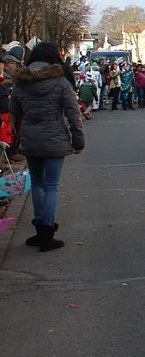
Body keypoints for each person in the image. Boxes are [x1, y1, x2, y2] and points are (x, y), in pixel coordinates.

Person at [10, 42, 85, 252]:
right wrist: (78, 141)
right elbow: (73, 114)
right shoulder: (61, 81)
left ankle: (39, 229)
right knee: (51, 186)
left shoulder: (21, 81)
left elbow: (14, 110)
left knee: (37, 183)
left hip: (31, 137)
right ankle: (47, 232)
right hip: (55, 138)